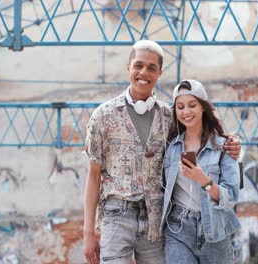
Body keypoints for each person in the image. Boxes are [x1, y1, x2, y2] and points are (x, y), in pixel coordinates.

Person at [83, 40, 241, 264]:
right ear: (128, 67)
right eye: (138, 65)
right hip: (117, 215)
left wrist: (231, 143)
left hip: (156, 221)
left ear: (159, 73)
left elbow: (199, 130)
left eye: (151, 68)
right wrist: (88, 232)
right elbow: (93, 175)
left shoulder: (169, 117)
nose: (143, 72)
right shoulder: (103, 115)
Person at [160, 80, 241, 264]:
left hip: (214, 229)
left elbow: (231, 197)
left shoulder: (224, 147)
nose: (186, 112)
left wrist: (203, 180)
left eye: (192, 105)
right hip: (177, 228)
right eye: (180, 107)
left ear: (203, 107)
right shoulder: (170, 146)